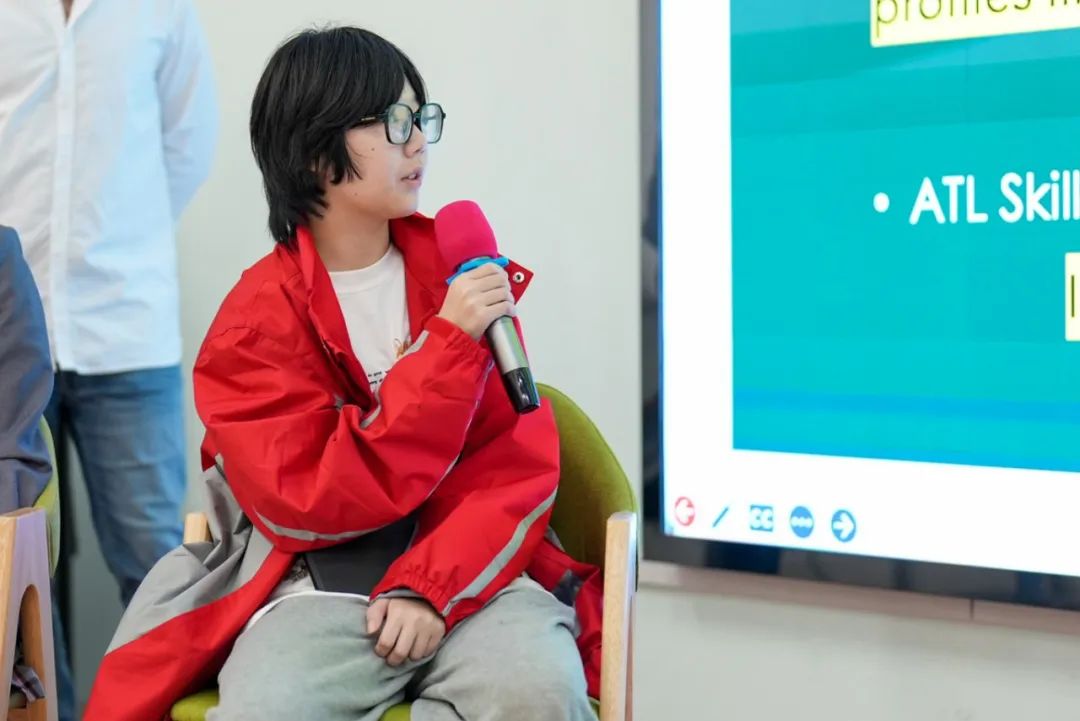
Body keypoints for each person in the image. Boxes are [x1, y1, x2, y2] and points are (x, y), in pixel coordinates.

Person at [84, 26, 603, 721]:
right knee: (268, 709)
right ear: (313, 152)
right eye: (393, 121)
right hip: (319, 586)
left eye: (420, 117)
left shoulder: (462, 278)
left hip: (472, 581)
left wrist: (429, 587)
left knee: (538, 694)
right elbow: (312, 496)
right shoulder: (253, 324)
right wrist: (445, 348)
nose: (417, 142)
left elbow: (512, 466)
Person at [0, 1, 218, 715]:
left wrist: (124, 235)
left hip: (126, 324)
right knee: (12, 567)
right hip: (7, 326)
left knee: (158, 567)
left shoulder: (162, 9)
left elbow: (188, 143)